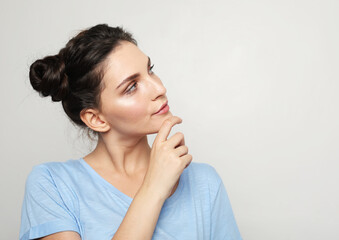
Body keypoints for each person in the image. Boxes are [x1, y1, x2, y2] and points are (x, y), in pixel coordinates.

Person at [19, 23, 242, 240]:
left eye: (150, 70)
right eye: (132, 87)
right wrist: (154, 188)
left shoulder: (204, 183)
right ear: (96, 118)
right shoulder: (52, 185)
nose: (159, 89)